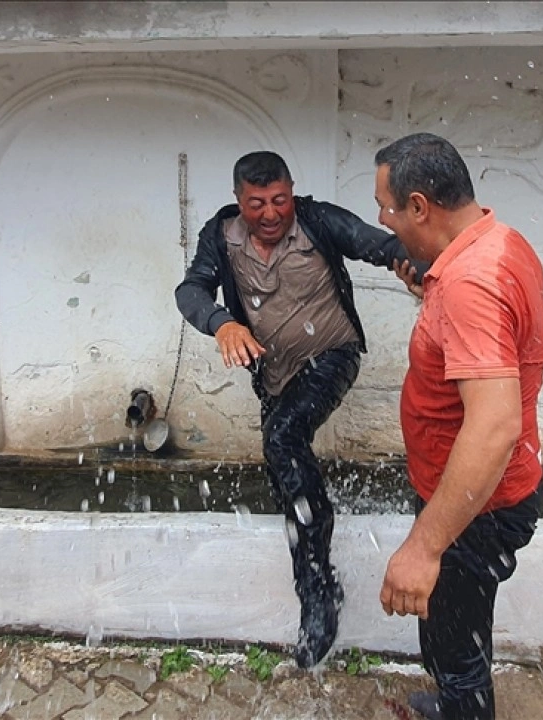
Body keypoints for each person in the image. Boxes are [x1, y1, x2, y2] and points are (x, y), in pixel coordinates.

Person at [175, 151, 424, 669]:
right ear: (239, 200)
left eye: (279, 200)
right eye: (257, 204)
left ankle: (317, 590)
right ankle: (316, 562)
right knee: (283, 467)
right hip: (274, 373)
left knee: (283, 438)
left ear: (292, 191)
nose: (271, 213)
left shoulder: (317, 220)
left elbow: (381, 246)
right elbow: (191, 289)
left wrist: (421, 267)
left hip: (332, 355)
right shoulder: (220, 235)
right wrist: (222, 323)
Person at [373, 133, 543, 720]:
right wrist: (431, 297)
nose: (383, 221)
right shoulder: (500, 244)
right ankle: (456, 703)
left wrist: (424, 548)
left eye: (388, 208)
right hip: (484, 496)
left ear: (420, 206)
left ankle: (463, 707)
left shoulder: (469, 285)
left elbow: (495, 425)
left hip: (478, 507)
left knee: (455, 650)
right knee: (460, 630)